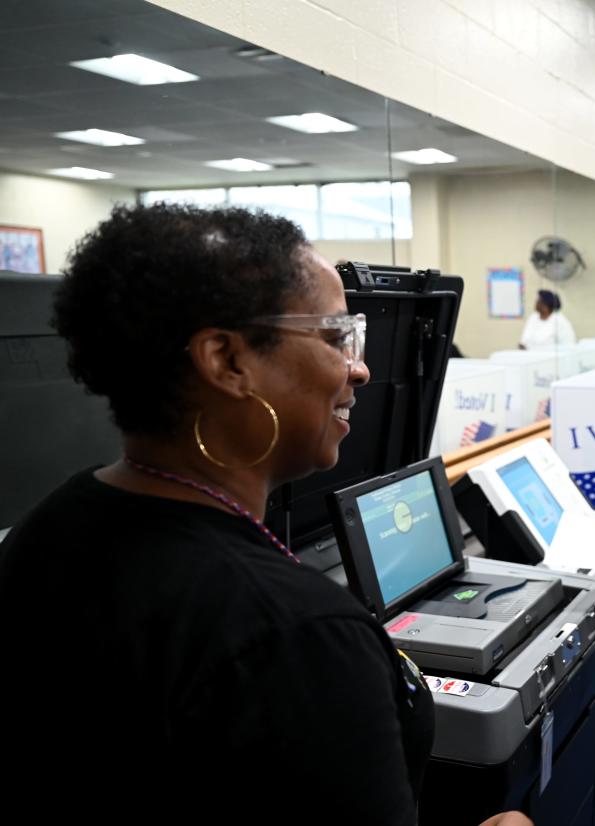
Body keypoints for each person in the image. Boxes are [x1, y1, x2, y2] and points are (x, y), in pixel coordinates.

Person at [0, 203, 531, 826]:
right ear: (226, 360)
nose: (360, 368)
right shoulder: (297, 637)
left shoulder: (48, 528)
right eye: (337, 338)